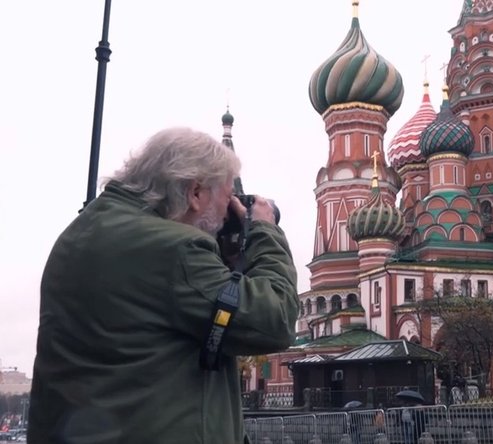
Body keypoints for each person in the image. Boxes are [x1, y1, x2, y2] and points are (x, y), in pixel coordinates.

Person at [27, 128, 299, 444]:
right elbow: (275, 318)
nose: (230, 215)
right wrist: (264, 231)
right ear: (195, 193)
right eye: (228, 200)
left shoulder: (84, 232)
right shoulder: (176, 252)